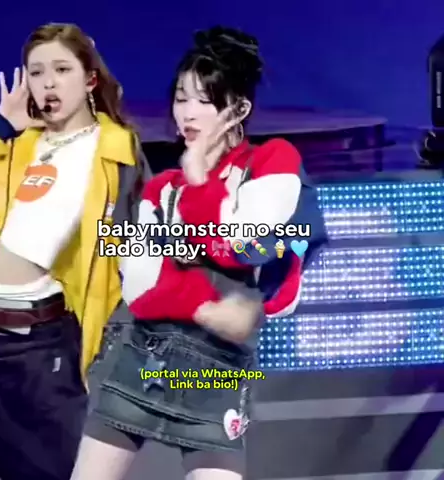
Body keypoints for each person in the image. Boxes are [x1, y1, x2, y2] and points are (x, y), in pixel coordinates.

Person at [72, 26, 325, 480]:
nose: (187, 113)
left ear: (238, 108)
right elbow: (141, 286)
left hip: (215, 377)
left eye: (204, 101)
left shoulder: (272, 162)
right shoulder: (161, 189)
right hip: (140, 359)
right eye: (180, 98)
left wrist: (201, 185)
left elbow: (245, 248)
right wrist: (207, 307)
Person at [0, 23, 146, 480]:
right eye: (37, 71)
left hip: (39, 352)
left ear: (90, 78)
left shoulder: (116, 152)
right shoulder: (14, 141)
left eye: (62, 70)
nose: (48, 83)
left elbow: (141, 246)